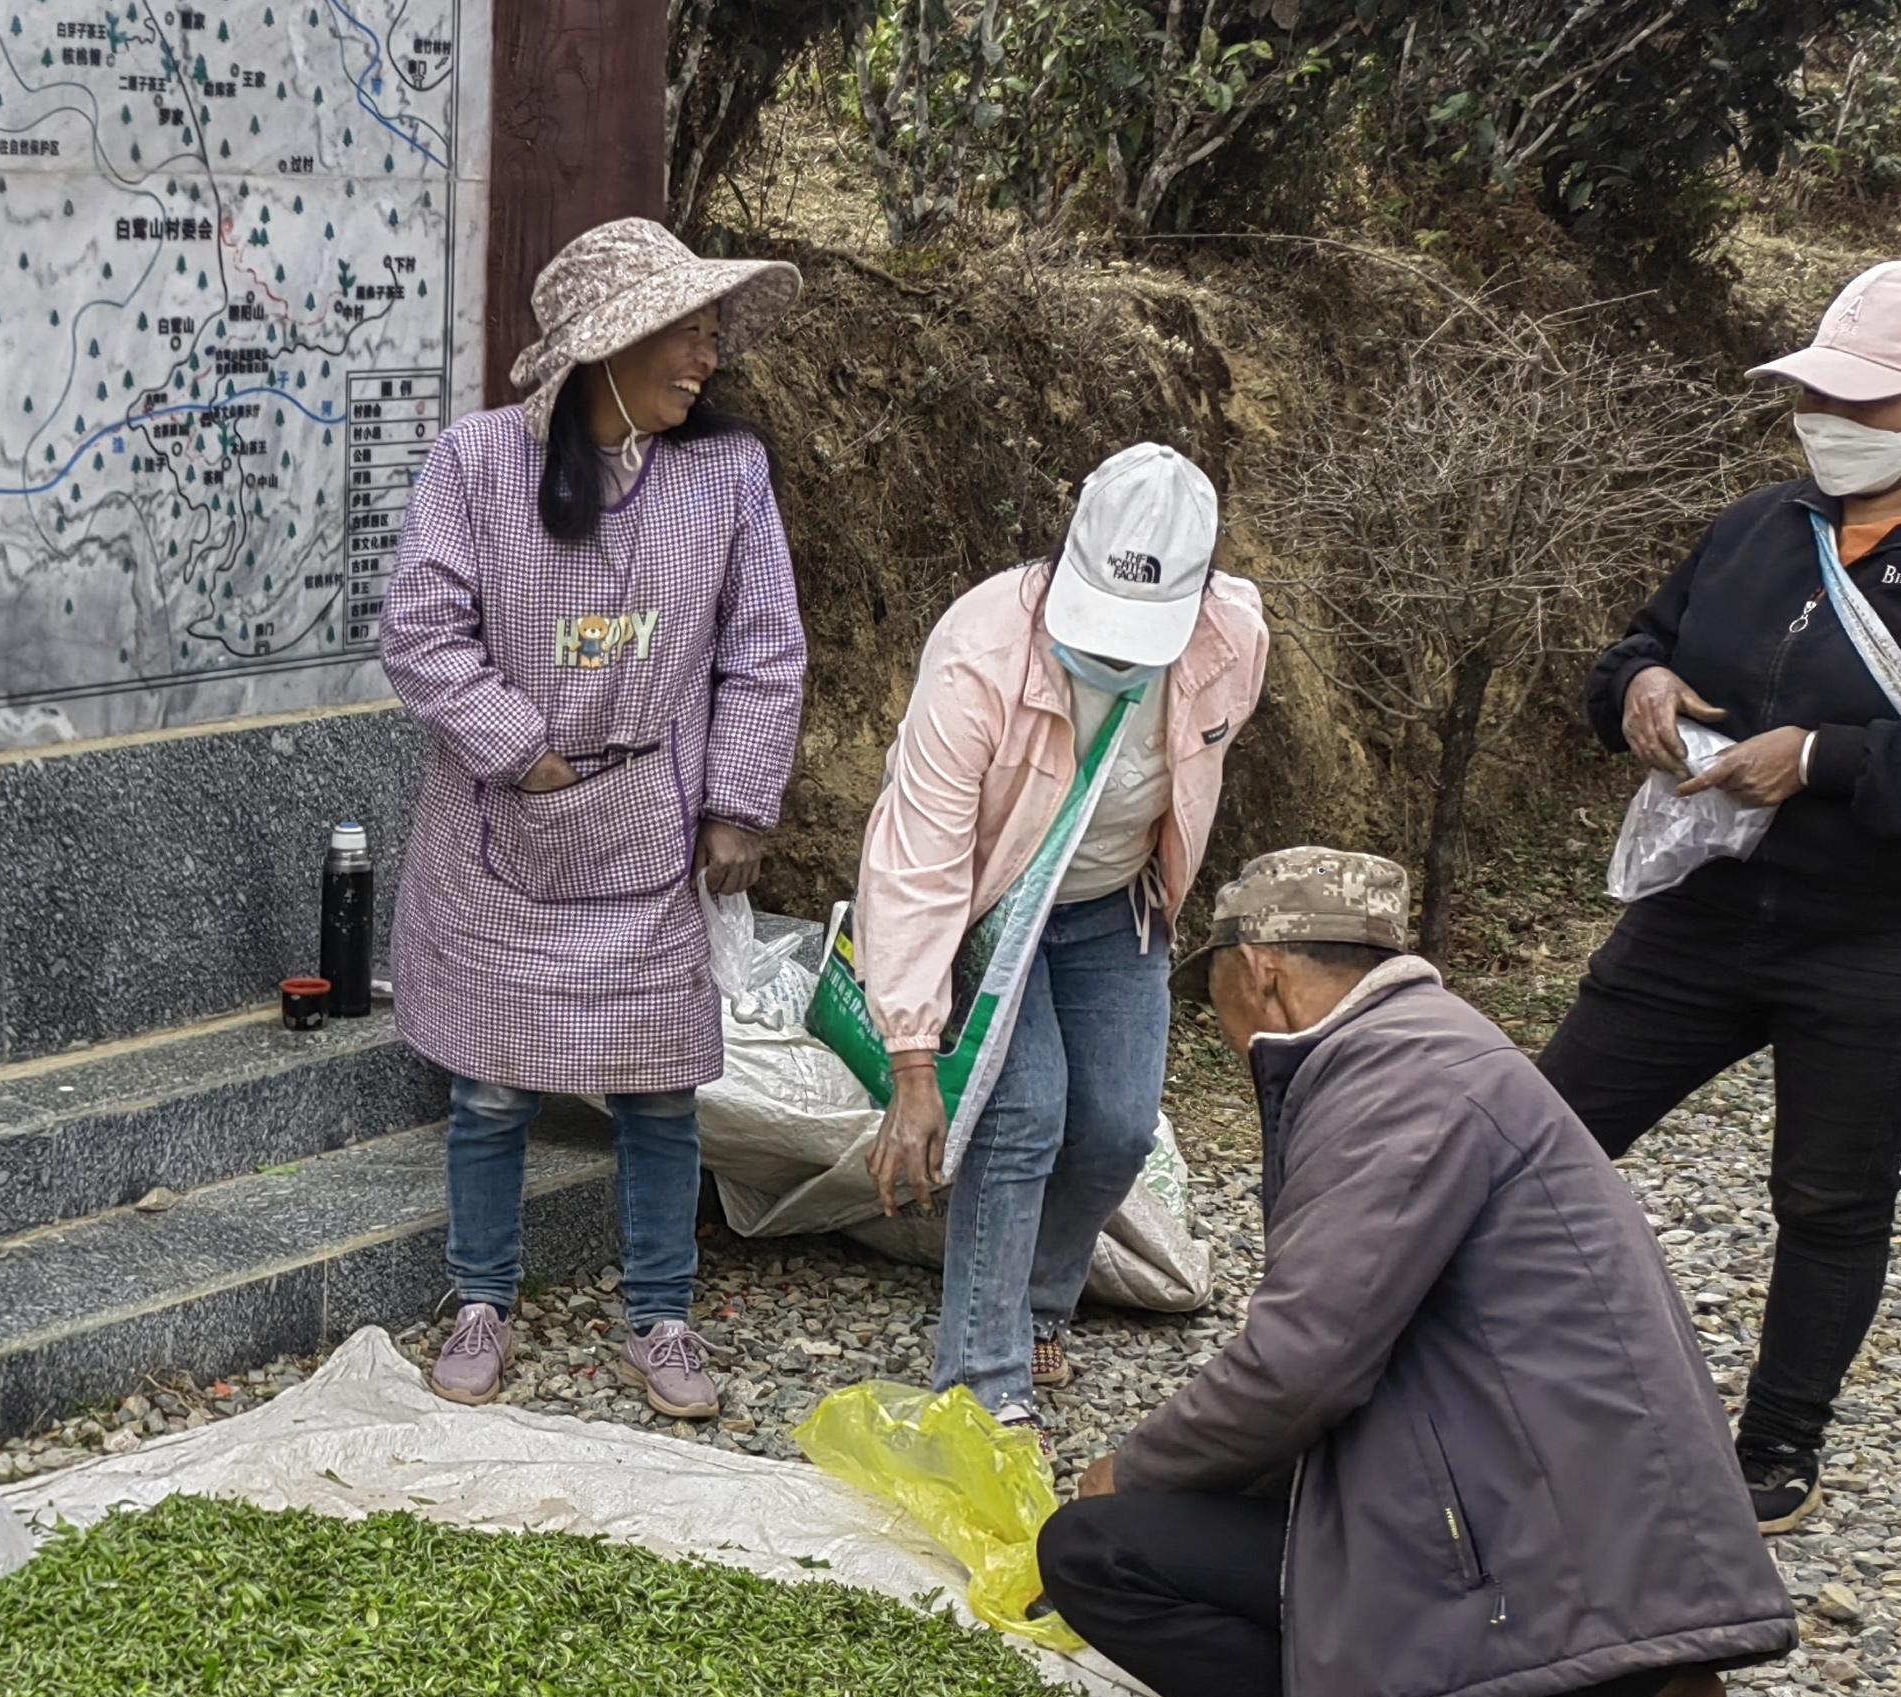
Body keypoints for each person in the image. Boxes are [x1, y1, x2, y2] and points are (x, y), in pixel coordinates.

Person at [1041, 849, 1796, 1697]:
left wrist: (1135, 1472)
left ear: (1258, 971)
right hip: (1600, 1549)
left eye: (1212, 999)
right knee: (1235, 1507)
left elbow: (1303, 1361)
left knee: (1102, 1553)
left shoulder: (1396, 1083)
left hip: (1546, 1556)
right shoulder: (1441, 1051)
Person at [1542, 258, 1901, 1529]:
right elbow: (1646, 638)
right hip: (1706, 904)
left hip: (1884, 933)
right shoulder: (1759, 526)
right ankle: (1468, 1362)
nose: (1827, 425)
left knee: (1832, 1193)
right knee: (1543, 1127)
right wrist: (1632, 685)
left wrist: (1822, 758)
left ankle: (1779, 1441)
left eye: (1863, 404)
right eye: (1817, 397)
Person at [380, 216, 809, 1421]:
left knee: (665, 1088)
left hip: (655, 829)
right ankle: (481, 1298)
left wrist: (737, 800)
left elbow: (765, 648)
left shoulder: (727, 475)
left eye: (713, 338)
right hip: (502, 828)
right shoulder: (477, 463)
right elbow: (421, 632)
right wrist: (524, 755)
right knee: (492, 1087)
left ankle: (661, 1316)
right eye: (687, 336)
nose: (706, 361)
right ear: (608, 346)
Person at [856, 444, 1267, 1425]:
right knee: (1023, 1110)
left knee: (1118, 1127)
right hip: (993, 897)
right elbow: (918, 858)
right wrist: (915, 1059)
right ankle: (982, 1387)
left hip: (1111, 901)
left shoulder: (1233, 641)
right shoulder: (981, 650)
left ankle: (1042, 1294)